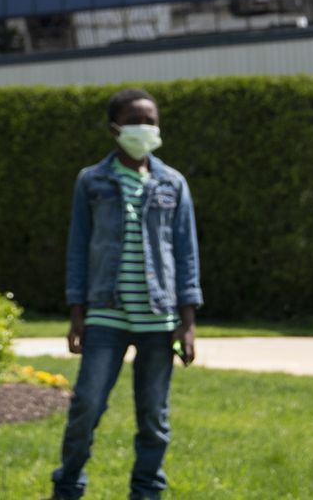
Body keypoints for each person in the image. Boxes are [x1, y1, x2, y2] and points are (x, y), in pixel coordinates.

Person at [53, 88, 201, 500]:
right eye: (137, 121)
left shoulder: (173, 182)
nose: (146, 128)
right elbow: (78, 248)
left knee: (154, 416)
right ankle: (67, 485)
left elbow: (187, 253)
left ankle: (147, 491)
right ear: (115, 128)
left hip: (160, 319)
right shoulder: (92, 181)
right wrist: (77, 313)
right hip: (105, 317)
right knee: (86, 406)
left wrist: (187, 324)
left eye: (151, 120)